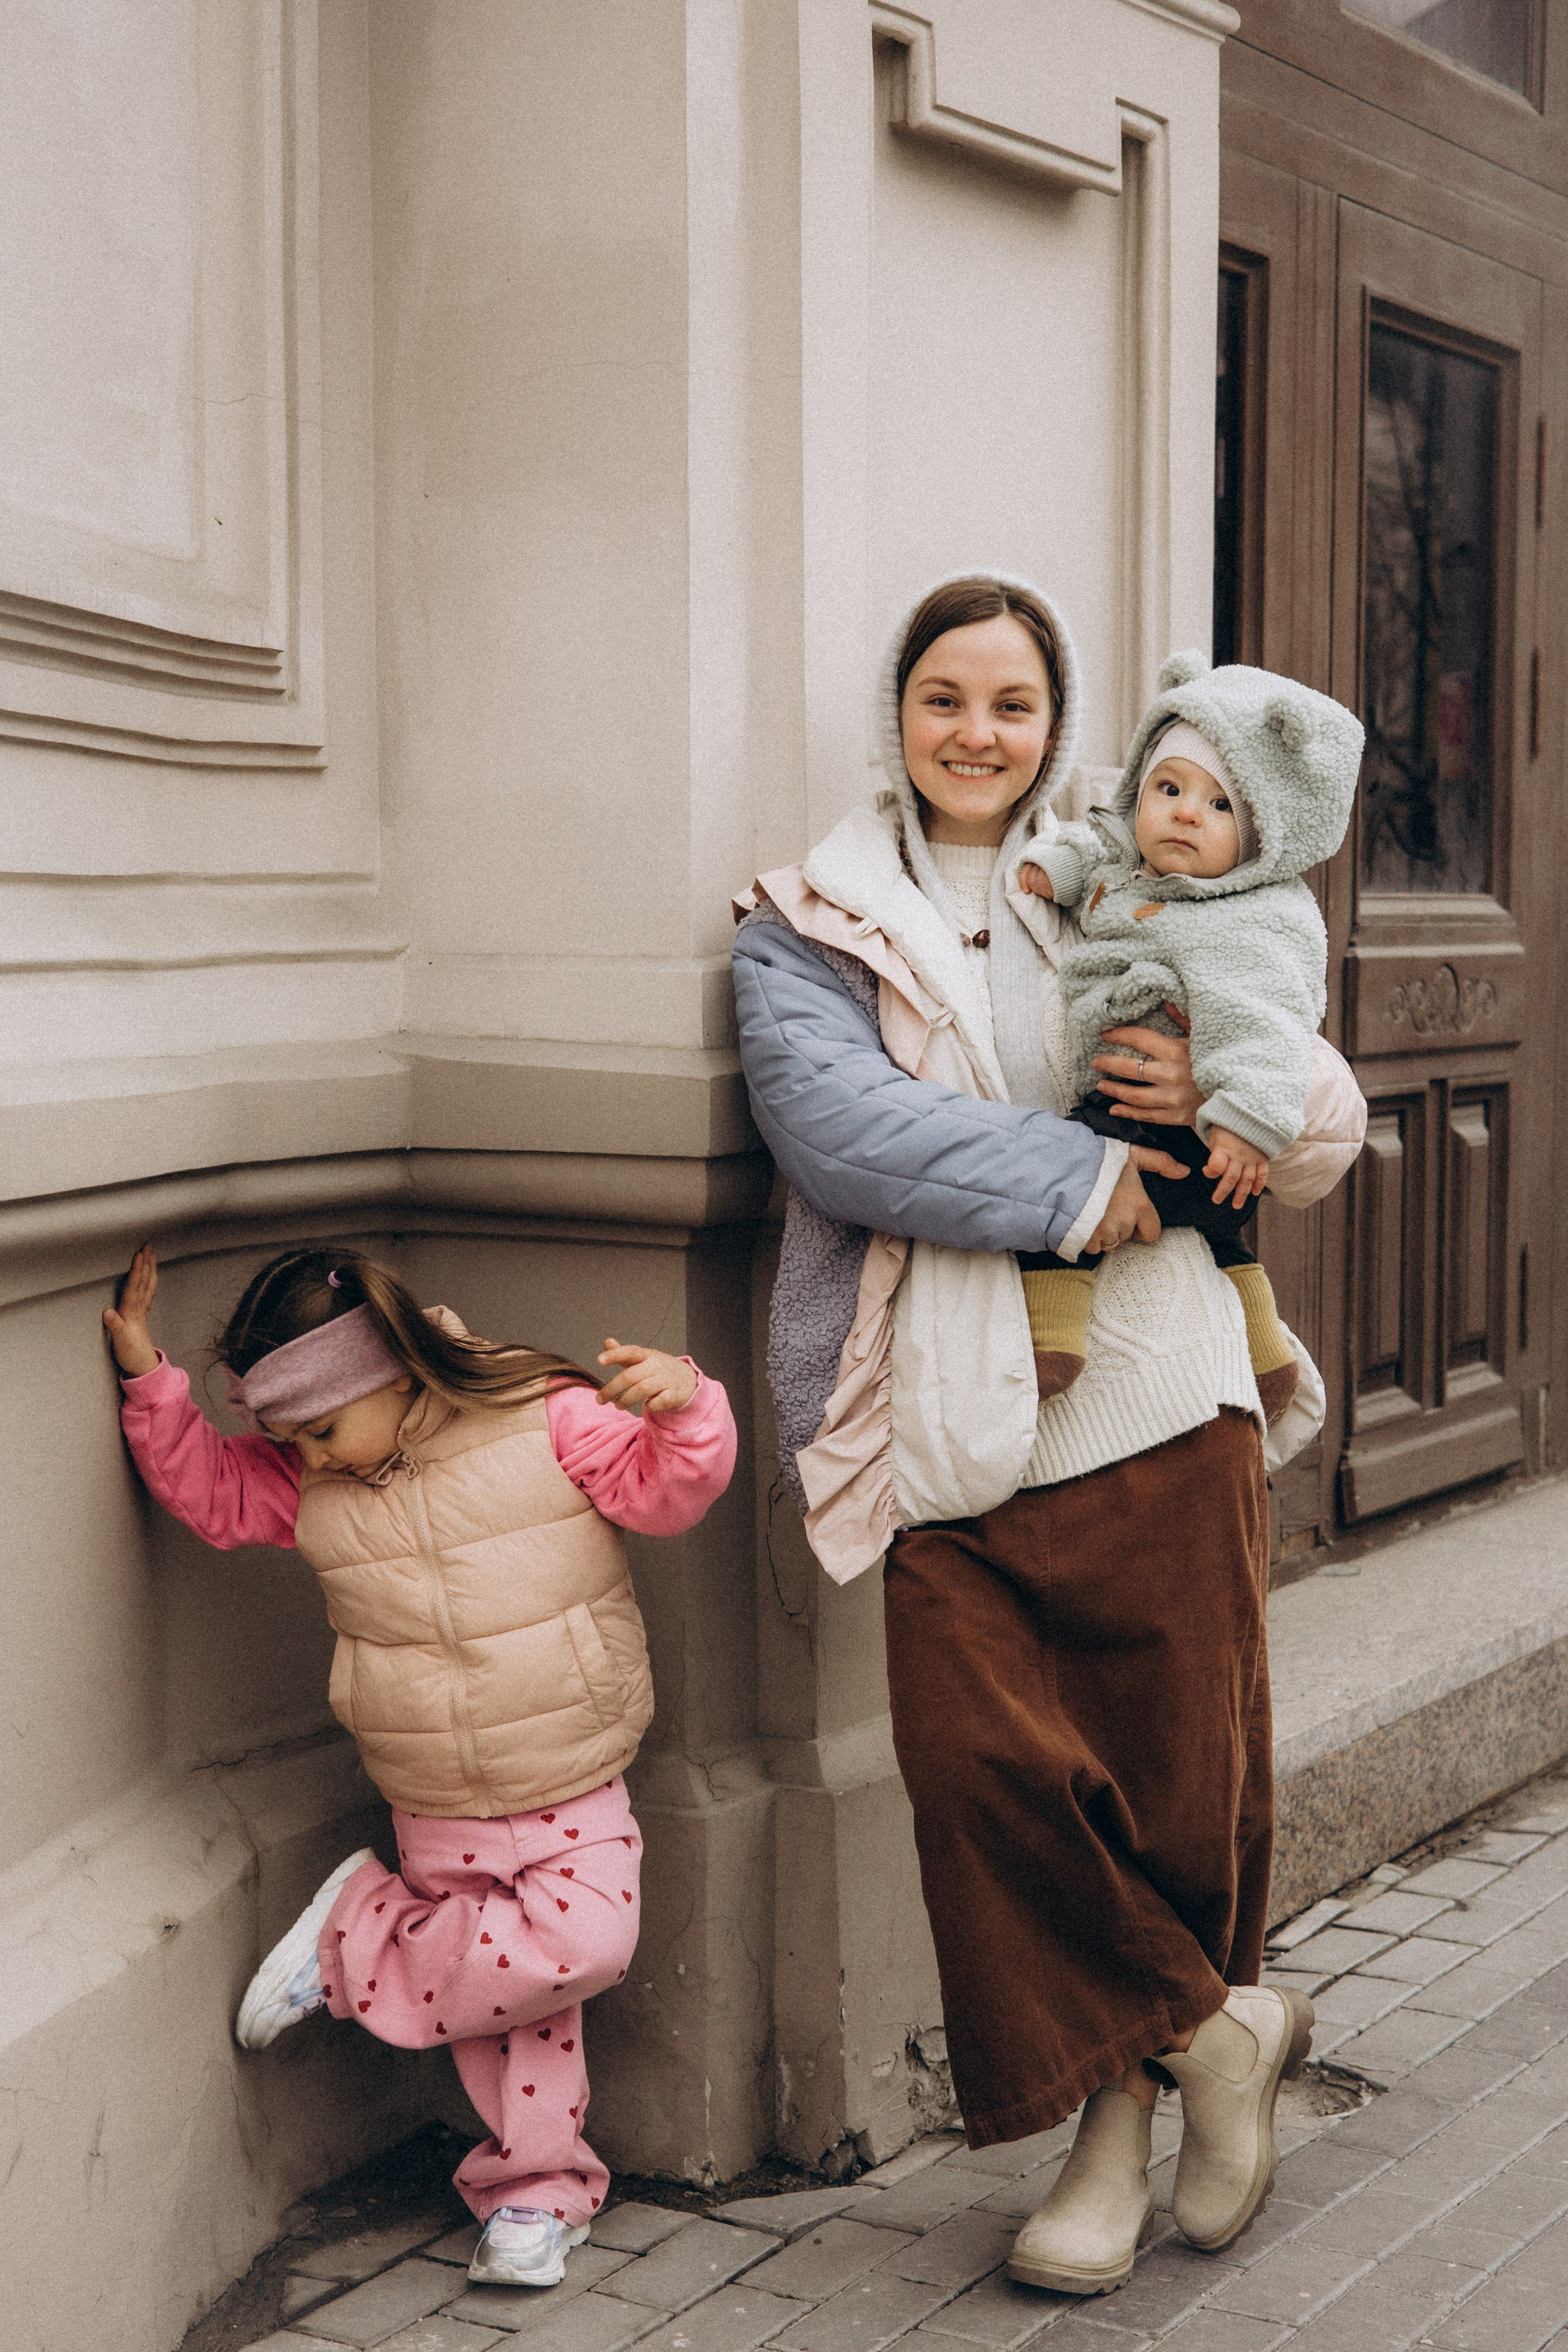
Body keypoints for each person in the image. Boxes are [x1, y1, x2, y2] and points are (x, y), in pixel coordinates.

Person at [731, 573, 1366, 2296]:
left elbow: (1319, 1095)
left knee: (1177, 1780)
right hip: (956, 1404)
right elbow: (840, 1133)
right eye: (947, 696)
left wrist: (1247, 1100)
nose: (977, 734)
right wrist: (1096, 1174)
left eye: (1013, 705)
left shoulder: (1145, 854)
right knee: (980, 1773)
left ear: (1055, 725)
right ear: (900, 710)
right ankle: (1221, 2034)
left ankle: (1121, 2125)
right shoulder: (813, 919)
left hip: (1161, 1385)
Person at [104, 1244, 735, 2290]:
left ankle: (360, 1936)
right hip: (431, 1786)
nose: (313, 1455)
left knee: (584, 1945)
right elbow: (210, 1493)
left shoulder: (545, 1415)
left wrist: (688, 1406)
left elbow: (666, 1491)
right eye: (292, 1438)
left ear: (389, 1371)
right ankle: (534, 2196)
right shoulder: (313, 1481)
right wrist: (149, 1382)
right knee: (513, 2013)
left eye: (321, 1428)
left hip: (569, 1760)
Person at [1010, 653, 1363, 1418]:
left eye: (1220, 805)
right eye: (1168, 789)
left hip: (1179, 1128)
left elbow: (1266, 1025)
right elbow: (1095, 852)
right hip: (1180, 1133)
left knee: (1063, 1198)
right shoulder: (1138, 867)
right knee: (1221, 1238)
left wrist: (1243, 1119)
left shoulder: (1251, 921)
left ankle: (1049, 1339)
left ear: (1264, 834)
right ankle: (1267, 1354)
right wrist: (1052, 868)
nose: (1185, 813)